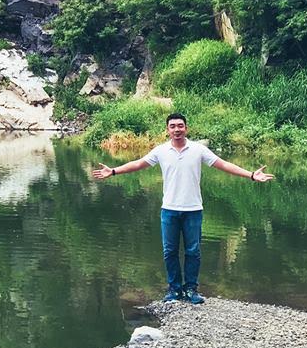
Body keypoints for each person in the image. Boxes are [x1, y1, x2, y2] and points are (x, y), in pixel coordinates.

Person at [92, 113, 274, 304]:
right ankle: (174, 290)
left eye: (180, 126)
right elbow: (138, 164)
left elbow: (224, 165)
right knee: (169, 251)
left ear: (186, 128)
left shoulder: (198, 150)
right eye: (172, 126)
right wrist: (113, 171)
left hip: (193, 209)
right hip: (169, 209)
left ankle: (191, 290)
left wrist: (251, 175)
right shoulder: (161, 151)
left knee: (193, 251)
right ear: (167, 130)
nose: (177, 129)